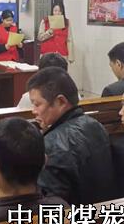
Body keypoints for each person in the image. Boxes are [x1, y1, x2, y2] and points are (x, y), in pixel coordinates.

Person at [28, 67, 115, 204]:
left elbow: (51, 203)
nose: (34, 111)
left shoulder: (50, 146)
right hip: (105, 210)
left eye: (37, 104)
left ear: (61, 101)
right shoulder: (96, 125)